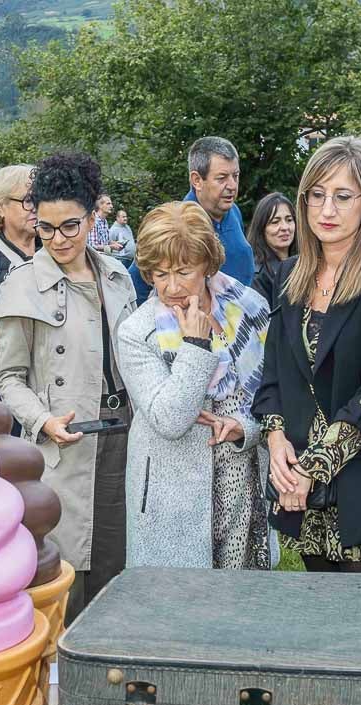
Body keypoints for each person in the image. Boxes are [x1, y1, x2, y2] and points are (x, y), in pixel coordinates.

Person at [252, 135, 361, 573]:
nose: (327, 211)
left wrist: (313, 468)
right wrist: (276, 445)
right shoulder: (290, 274)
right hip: (298, 480)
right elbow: (273, 375)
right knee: (320, 621)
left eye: (343, 196)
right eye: (317, 196)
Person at [0, 151, 137, 620]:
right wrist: (42, 420)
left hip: (127, 440)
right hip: (67, 445)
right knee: (66, 574)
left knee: (121, 570)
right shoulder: (22, 285)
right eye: (46, 228)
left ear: (93, 215)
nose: (57, 239)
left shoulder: (118, 278)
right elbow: (8, 378)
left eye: (70, 226)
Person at [116, 199, 272, 571]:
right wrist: (197, 345)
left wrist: (246, 429)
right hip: (173, 503)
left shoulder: (249, 310)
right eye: (158, 273)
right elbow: (170, 419)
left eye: (183, 271)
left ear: (207, 263)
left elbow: (272, 398)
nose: (170, 286)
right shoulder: (136, 333)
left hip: (241, 485)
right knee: (180, 613)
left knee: (241, 602)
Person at [129, 136, 255, 300]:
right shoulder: (174, 227)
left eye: (235, 176)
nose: (232, 185)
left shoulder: (232, 211)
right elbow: (134, 285)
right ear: (197, 180)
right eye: (222, 178)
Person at [0, 163, 38, 305]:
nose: (36, 208)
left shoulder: (54, 253)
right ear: (0, 207)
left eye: (40, 199)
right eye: (28, 200)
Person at [246, 192, 297, 308]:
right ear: (261, 228)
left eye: (289, 220)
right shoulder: (257, 276)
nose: (285, 227)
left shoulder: (301, 262)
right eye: (275, 222)